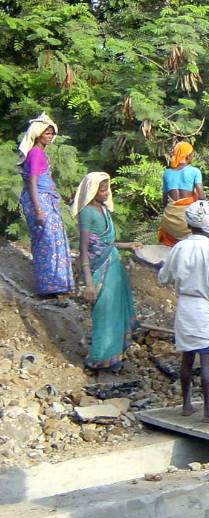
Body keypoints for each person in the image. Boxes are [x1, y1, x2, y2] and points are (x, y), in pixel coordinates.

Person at [158, 200, 209, 422]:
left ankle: (186, 405)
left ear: (189, 224)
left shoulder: (179, 247)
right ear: (208, 223)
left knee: (187, 357)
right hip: (203, 308)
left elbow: (163, 277)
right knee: (207, 358)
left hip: (184, 307)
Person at [75, 172, 141, 372]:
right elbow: (85, 249)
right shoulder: (88, 213)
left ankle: (114, 358)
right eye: (101, 190)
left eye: (107, 189)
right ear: (92, 191)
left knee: (115, 312)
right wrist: (88, 283)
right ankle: (100, 359)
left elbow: (107, 242)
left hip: (114, 266)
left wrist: (128, 245)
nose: (105, 193)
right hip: (99, 271)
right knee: (104, 313)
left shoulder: (103, 210)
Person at [17, 113, 74, 297]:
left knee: (53, 240)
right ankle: (50, 287)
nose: (49, 136)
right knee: (47, 241)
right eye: (46, 133)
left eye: (51, 133)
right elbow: (33, 181)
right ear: (38, 134)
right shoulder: (35, 153)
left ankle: (56, 284)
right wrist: (39, 209)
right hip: (40, 200)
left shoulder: (40, 153)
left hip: (44, 200)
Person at [158, 141, 205, 247]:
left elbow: (164, 202)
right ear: (187, 156)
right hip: (186, 222)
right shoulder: (195, 171)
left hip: (169, 221)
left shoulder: (167, 173)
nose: (193, 156)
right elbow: (202, 197)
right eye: (192, 154)